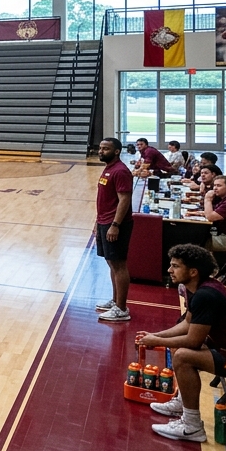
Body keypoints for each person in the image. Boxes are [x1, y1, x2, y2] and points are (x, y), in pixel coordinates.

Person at [137, 244, 226, 442]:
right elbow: (188, 324)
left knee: (184, 356)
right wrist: (158, 335)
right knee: (176, 346)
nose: (169, 270)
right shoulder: (197, 287)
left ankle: (192, 427)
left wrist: (156, 340)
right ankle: (183, 402)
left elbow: (193, 340)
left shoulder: (206, 296)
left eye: (175, 266)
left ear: (192, 271)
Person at [93, 137, 134, 322]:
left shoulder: (120, 171)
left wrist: (115, 225)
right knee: (111, 263)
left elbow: (124, 199)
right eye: (100, 148)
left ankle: (122, 308)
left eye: (106, 148)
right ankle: (116, 300)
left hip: (115, 224)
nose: (101, 151)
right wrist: (97, 222)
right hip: (104, 221)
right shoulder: (109, 168)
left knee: (119, 264)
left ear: (116, 151)